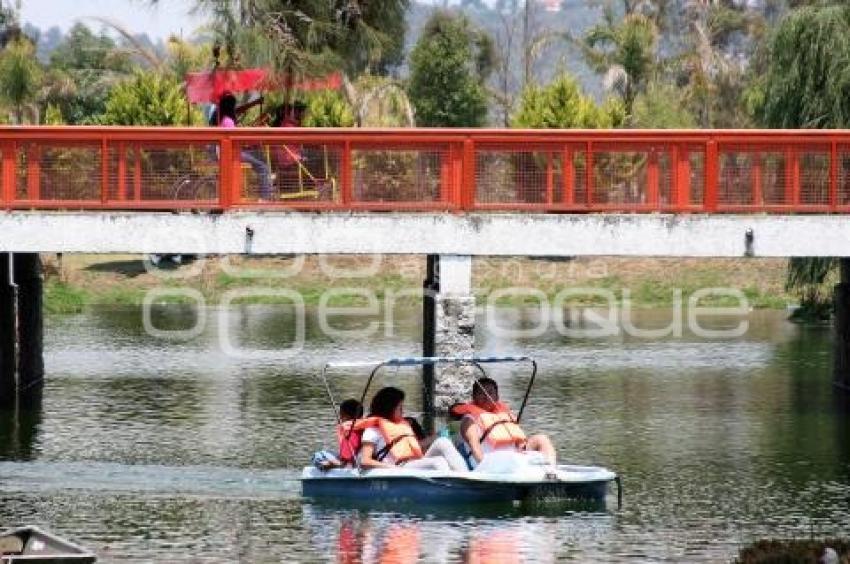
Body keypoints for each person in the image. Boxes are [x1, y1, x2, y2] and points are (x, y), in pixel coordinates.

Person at [451, 377, 556, 468]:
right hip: (490, 463)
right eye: (481, 393)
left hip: (514, 458)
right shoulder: (470, 420)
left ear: (497, 397)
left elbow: (519, 441)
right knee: (510, 460)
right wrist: (485, 467)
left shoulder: (505, 415)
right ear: (474, 397)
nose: (486, 396)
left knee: (541, 439)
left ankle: (551, 471)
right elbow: (475, 447)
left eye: (490, 392)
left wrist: (522, 452)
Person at [356, 387, 467, 471]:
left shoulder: (401, 426)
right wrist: (392, 468)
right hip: (399, 467)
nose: (403, 411)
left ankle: (466, 476)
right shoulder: (372, 431)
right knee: (438, 461)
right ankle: (451, 487)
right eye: (400, 407)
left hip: (413, 462)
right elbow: (365, 461)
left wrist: (441, 434)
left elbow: (416, 446)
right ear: (389, 408)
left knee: (443, 442)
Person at [215, 92, 273, 200]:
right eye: (233, 105)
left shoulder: (224, 119)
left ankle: (263, 193)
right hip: (231, 154)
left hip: (228, 152)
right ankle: (265, 198)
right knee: (263, 167)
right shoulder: (228, 121)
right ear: (230, 107)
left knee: (259, 161)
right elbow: (235, 140)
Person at [336, 398, 364, 465]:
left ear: (346, 416)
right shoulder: (364, 426)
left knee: (318, 455)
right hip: (357, 457)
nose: (340, 418)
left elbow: (346, 456)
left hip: (351, 461)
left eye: (341, 415)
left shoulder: (349, 430)